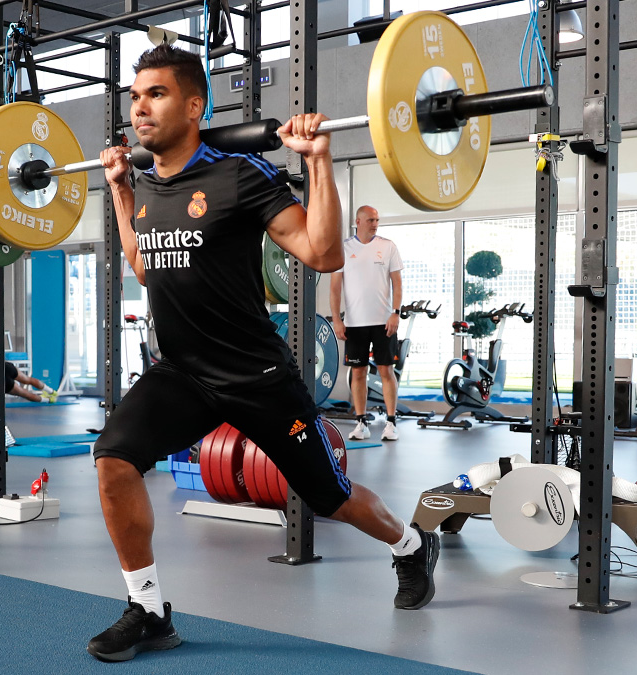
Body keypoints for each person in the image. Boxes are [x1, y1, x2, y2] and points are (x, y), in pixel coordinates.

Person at [88, 46, 439, 663]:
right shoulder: (145, 182)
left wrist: (319, 159)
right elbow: (143, 267)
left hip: (257, 375)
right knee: (114, 459)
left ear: (194, 106)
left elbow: (324, 254)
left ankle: (410, 545)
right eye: (135, 96)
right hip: (184, 372)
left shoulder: (239, 174)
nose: (139, 107)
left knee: (330, 497)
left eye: (156, 94)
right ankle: (149, 610)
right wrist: (119, 190)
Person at [329, 205, 403, 442]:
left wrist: (396, 313)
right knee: (358, 373)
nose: (375, 224)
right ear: (358, 221)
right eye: (371, 220)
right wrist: (337, 319)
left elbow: (397, 283)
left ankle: (391, 423)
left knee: (386, 371)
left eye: (377, 220)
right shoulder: (344, 248)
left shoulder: (388, 246)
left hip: (383, 322)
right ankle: (361, 423)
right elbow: (335, 288)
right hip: (354, 324)